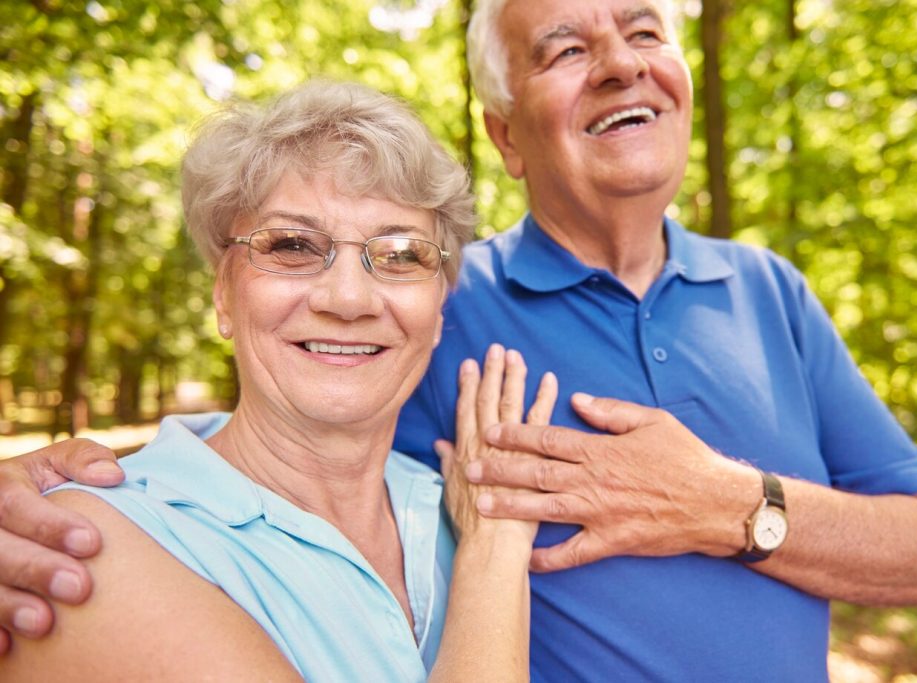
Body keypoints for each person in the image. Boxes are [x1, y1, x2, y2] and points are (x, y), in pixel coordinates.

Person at [0, 1, 917, 680]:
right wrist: (57, 484)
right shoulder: (442, 299)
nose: (621, 62)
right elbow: (289, 435)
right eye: (563, 48)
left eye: (645, 32)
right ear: (506, 135)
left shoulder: (771, 291)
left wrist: (725, 502)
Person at [0, 80, 560, 681]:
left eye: (400, 254)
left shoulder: (449, 500)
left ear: (439, 307)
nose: (348, 299)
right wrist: (497, 547)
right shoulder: (85, 541)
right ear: (223, 294)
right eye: (292, 245)